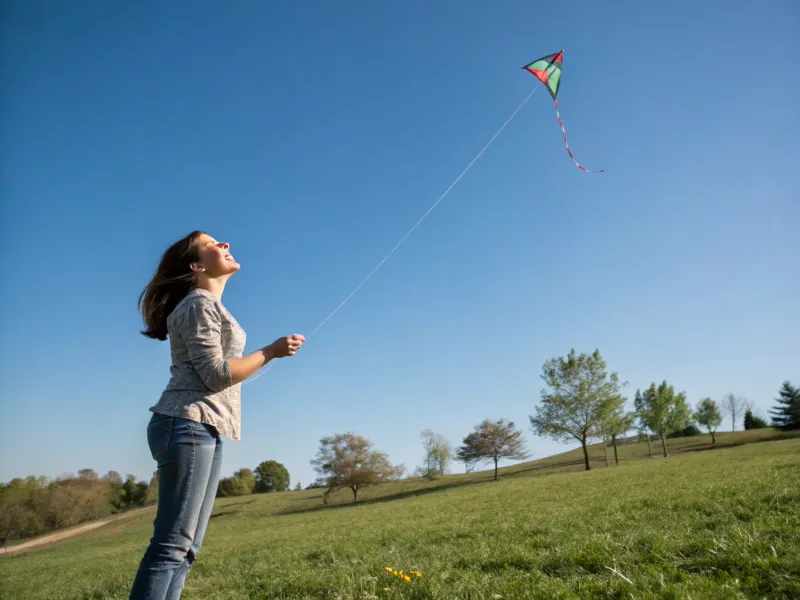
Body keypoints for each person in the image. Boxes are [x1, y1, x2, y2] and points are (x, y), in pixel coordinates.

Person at [129, 230, 304, 600]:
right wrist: (269, 352)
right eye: (212, 244)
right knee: (172, 545)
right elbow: (217, 374)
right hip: (186, 423)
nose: (224, 244)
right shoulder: (197, 304)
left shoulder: (208, 306)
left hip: (201, 426)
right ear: (196, 265)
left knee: (186, 549)